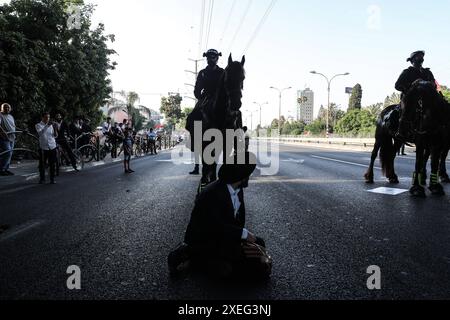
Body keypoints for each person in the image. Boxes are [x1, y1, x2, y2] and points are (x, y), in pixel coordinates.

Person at [169, 152, 271, 280]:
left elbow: (236, 222)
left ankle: (216, 262)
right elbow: (214, 227)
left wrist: (242, 241)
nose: (249, 176)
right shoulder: (212, 193)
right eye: (249, 173)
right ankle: (189, 256)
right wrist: (242, 235)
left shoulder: (236, 189)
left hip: (223, 237)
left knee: (259, 244)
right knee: (249, 268)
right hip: (205, 240)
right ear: (242, 176)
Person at [395, 51, 437, 138]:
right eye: (418, 57)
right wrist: (412, 85)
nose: (421, 58)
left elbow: (434, 85)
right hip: (410, 97)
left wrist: (432, 84)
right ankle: (401, 130)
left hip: (426, 97)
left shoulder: (427, 72)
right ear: (413, 60)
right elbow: (397, 85)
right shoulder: (407, 72)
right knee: (408, 108)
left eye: (421, 56)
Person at [36, 112, 58, 184]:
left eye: (48, 117)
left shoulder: (51, 125)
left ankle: (52, 179)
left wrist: (55, 128)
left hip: (52, 146)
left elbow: (55, 136)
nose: (47, 119)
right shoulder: (38, 125)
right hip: (43, 147)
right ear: (42, 118)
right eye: (45, 117)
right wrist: (47, 126)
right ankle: (42, 178)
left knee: (52, 164)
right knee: (42, 164)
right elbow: (40, 133)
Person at [0, 103, 16, 176]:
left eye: (8, 108)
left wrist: (22, 130)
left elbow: (13, 126)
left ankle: (6, 169)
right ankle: (1, 169)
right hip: (4, 138)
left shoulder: (10, 116)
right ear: (1, 108)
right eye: (5, 107)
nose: (7, 109)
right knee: (7, 153)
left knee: (10, 153)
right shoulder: (0, 115)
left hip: (12, 137)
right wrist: (3, 132)